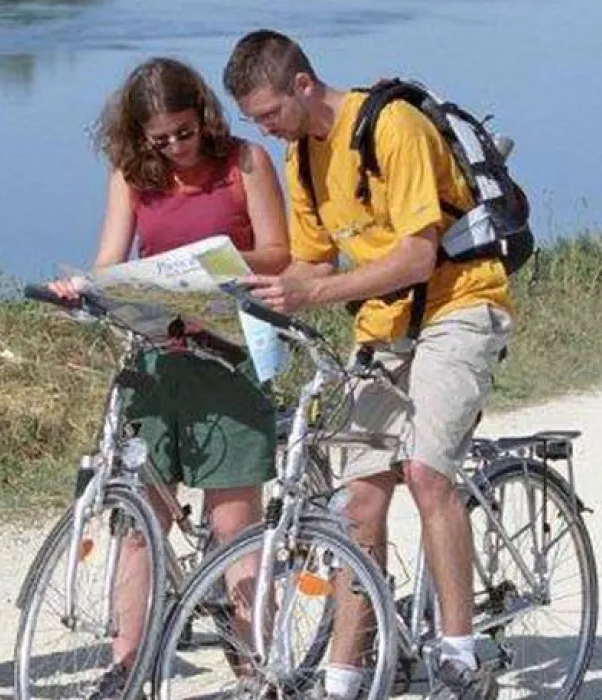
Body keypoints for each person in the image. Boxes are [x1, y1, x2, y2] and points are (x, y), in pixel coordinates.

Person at [224, 30, 514, 700]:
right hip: (386, 324)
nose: (264, 130)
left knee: (424, 471)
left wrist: (314, 293)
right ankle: (345, 677)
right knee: (359, 503)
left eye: (268, 113)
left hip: (460, 306)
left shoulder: (393, 126)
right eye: (253, 121)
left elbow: (416, 256)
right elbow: (312, 263)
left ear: (303, 85)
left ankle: (461, 653)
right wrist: (241, 290)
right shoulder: (300, 159)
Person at [50, 56, 290, 700]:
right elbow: (110, 259)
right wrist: (84, 288)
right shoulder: (133, 174)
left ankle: (253, 662)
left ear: (203, 116)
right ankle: (125, 663)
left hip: (228, 354)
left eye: (185, 132)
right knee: (139, 519)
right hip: (158, 356)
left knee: (235, 523)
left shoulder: (245, 162)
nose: (177, 148)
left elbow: (279, 252)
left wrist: (209, 264)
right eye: (161, 140)